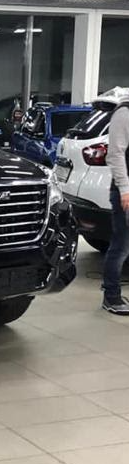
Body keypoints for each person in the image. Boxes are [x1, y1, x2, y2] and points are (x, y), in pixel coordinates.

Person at [102, 100, 129, 315]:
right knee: (121, 246)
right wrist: (124, 189)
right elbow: (115, 154)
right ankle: (111, 296)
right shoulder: (124, 113)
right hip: (126, 193)